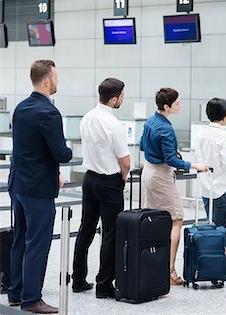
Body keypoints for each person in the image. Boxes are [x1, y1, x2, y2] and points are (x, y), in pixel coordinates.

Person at [7, 60, 73, 314]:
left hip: (19, 184)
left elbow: (29, 149)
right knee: (38, 242)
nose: (58, 81)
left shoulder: (21, 108)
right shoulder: (48, 112)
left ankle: (16, 292)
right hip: (38, 190)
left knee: (20, 239)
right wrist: (67, 151)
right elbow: (61, 152)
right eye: (56, 77)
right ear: (47, 80)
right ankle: (31, 298)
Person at [140, 87, 209, 286]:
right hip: (161, 176)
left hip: (148, 172)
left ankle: (152, 265)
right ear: (167, 106)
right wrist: (195, 165)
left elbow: (143, 146)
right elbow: (171, 160)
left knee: (153, 220)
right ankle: (169, 271)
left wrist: (167, 150)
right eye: (177, 103)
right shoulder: (166, 128)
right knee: (176, 219)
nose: (180, 106)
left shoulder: (151, 121)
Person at [72, 78, 130, 298]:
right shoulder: (114, 124)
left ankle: (78, 279)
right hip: (109, 182)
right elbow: (125, 161)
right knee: (110, 232)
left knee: (86, 228)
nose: (123, 99)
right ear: (114, 99)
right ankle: (103, 285)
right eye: (122, 96)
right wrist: (123, 178)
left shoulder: (87, 117)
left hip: (90, 180)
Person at [194, 98, 226, 228]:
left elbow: (198, 159)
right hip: (222, 188)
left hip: (206, 188)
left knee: (211, 226)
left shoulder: (200, 135)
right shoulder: (223, 136)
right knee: (219, 229)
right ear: (224, 115)